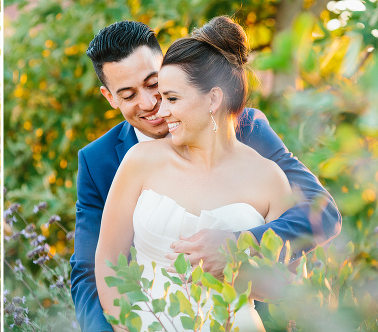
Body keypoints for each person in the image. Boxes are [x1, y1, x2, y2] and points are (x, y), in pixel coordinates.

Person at [71, 20, 342, 331]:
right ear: (110, 97)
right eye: (129, 94)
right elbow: (89, 269)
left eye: (153, 84)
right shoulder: (101, 161)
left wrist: (238, 248)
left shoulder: (245, 127)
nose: (150, 104)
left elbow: (319, 212)